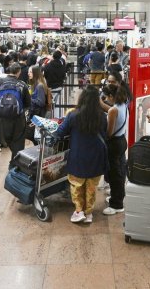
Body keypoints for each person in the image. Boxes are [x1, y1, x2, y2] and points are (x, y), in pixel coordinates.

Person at [54, 85, 108, 223]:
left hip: (78, 156)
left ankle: (79, 211)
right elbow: (105, 134)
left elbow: (60, 133)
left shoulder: (73, 115)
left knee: (77, 186)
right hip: (96, 156)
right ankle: (89, 213)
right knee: (91, 187)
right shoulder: (102, 116)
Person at [0, 63, 31, 169]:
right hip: (18, 118)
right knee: (18, 141)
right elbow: (28, 103)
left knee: (7, 140)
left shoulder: (0, 82)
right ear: (19, 72)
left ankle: (14, 162)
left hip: (2, 117)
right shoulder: (22, 84)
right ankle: (14, 165)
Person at [102, 84, 129, 215]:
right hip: (122, 140)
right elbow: (111, 109)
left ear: (111, 96)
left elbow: (109, 133)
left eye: (107, 97)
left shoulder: (113, 110)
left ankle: (116, 204)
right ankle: (117, 196)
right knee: (120, 171)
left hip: (114, 144)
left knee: (115, 175)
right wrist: (101, 103)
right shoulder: (123, 104)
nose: (106, 99)